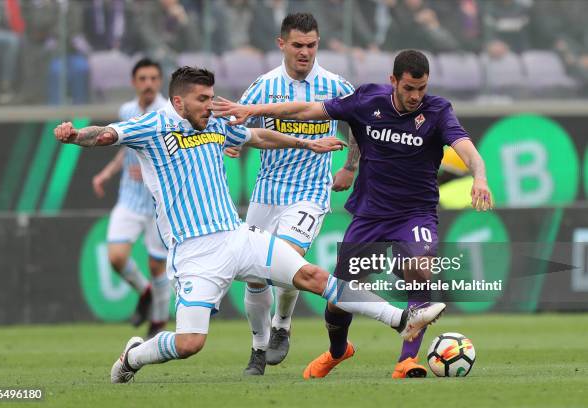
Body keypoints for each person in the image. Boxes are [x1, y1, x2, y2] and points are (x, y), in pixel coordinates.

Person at [54, 66, 446, 384]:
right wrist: (74, 136)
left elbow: (256, 135)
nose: (211, 105)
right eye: (202, 99)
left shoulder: (215, 123)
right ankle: (133, 356)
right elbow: (104, 134)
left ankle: (401, 319)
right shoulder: (152, 126)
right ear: (179, 101)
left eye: (211, 97)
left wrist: (306, 145)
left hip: (238, 235)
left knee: (310, 275)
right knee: (191, 343)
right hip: (194, 251)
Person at [213, 49, 493, 379]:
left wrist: (480, 176)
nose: (416, 96)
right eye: (409, 88)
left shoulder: (438, 110)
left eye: (422, 88)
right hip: (370, 215)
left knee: (420, 268)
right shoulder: (366, 101)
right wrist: (254, 110)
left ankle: (407, 361)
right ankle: (337, 350)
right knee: (341, 297)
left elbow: (465, 147)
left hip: (415, 213)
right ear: (393, 81)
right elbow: (307, 110)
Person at [229, 12, 355, 375]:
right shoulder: (263, 86)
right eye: (298, 45)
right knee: (254, 274)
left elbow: (358, 123)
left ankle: (282, 323)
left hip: (310, 192)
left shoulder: (335, 86)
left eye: (311, 45)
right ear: (281, 44)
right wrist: (232, 144)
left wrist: (350, 165)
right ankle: (258, 347)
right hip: (267, 192)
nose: (305, 52)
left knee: (285, 258)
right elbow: (236, 123)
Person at [91, 58, 169, 338]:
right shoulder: (127, 110)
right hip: (129, 198)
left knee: (157, 265)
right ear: (134, 82)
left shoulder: (168, 112)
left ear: (159, 82)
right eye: (143, 79)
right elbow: (124, 147)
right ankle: (144, 291)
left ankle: (158, 323)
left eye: (153, 78)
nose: (148, 84)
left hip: (158, 202)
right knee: (116, 257)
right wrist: (107, 173)